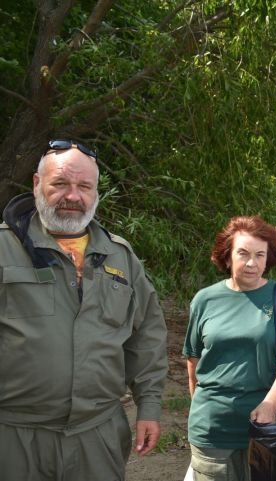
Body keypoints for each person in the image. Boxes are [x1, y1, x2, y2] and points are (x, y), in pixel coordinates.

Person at [0, 139, 168, 480]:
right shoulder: (4, 248)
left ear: (95, 192)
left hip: (98, 435)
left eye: (84, 186)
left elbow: (147, 334)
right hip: (14, 436)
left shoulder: (120, 256)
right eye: (60, 183)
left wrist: (148, 406)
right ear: (37, 184)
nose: (72, 196)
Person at [183, 215, 276, 481]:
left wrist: (270, 405)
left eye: (260, 255)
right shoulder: (204, 300)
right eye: (243, 253)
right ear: (227, 257)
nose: (252, 263)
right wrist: (204, 411)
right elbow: (193, 361)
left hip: (265, 427)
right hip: (211, 430)